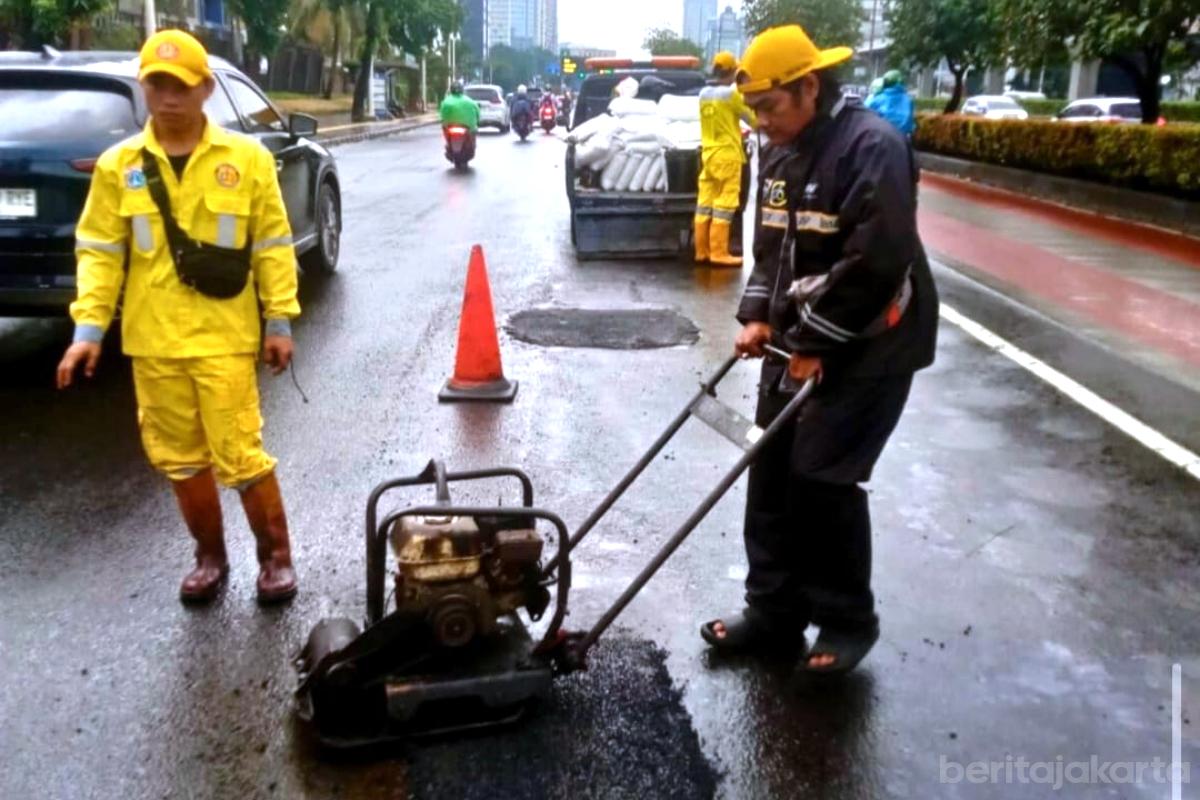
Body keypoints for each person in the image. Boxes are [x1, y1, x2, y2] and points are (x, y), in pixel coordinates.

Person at [699, 25, 938, 674]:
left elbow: (878, 260)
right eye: (754, 110)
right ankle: (773, 611)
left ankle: (847, 619)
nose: (761, 122)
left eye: (769, 106)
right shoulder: (780, 150)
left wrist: (812, 341)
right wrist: (758, 314)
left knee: (821, 477)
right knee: (770, 466)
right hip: (802, 336)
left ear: (809, 87)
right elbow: (772, 246)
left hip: (876, 337)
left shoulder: (871, 147)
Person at [56, 30, 301, 605]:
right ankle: (209, 557)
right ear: (144, 87)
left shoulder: (246, 159)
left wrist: (279, 321)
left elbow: (272, 245)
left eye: (181, 87)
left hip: (223, 338)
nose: (168, 98)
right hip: (154, 342)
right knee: (180, 460)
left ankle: (276, 559)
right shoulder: (119, 166)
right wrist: (88, 331)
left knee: (241, 454)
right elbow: (99, 252)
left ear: (205, 89)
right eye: (157, 85)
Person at [695, 51, 756, 267]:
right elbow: (752, 119)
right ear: (731, 72)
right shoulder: (731, 95)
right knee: (724, 204)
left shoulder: (703, 94)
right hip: (728, 155)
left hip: (708, 155)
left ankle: (701, 251)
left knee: (705, 204)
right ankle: (719, 253)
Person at [866, 70, 916, 136]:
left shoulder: (877, 99)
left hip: (881, 136)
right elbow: (910, 123)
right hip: (903, 137)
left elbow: (865, 115)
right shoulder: (909, 100)